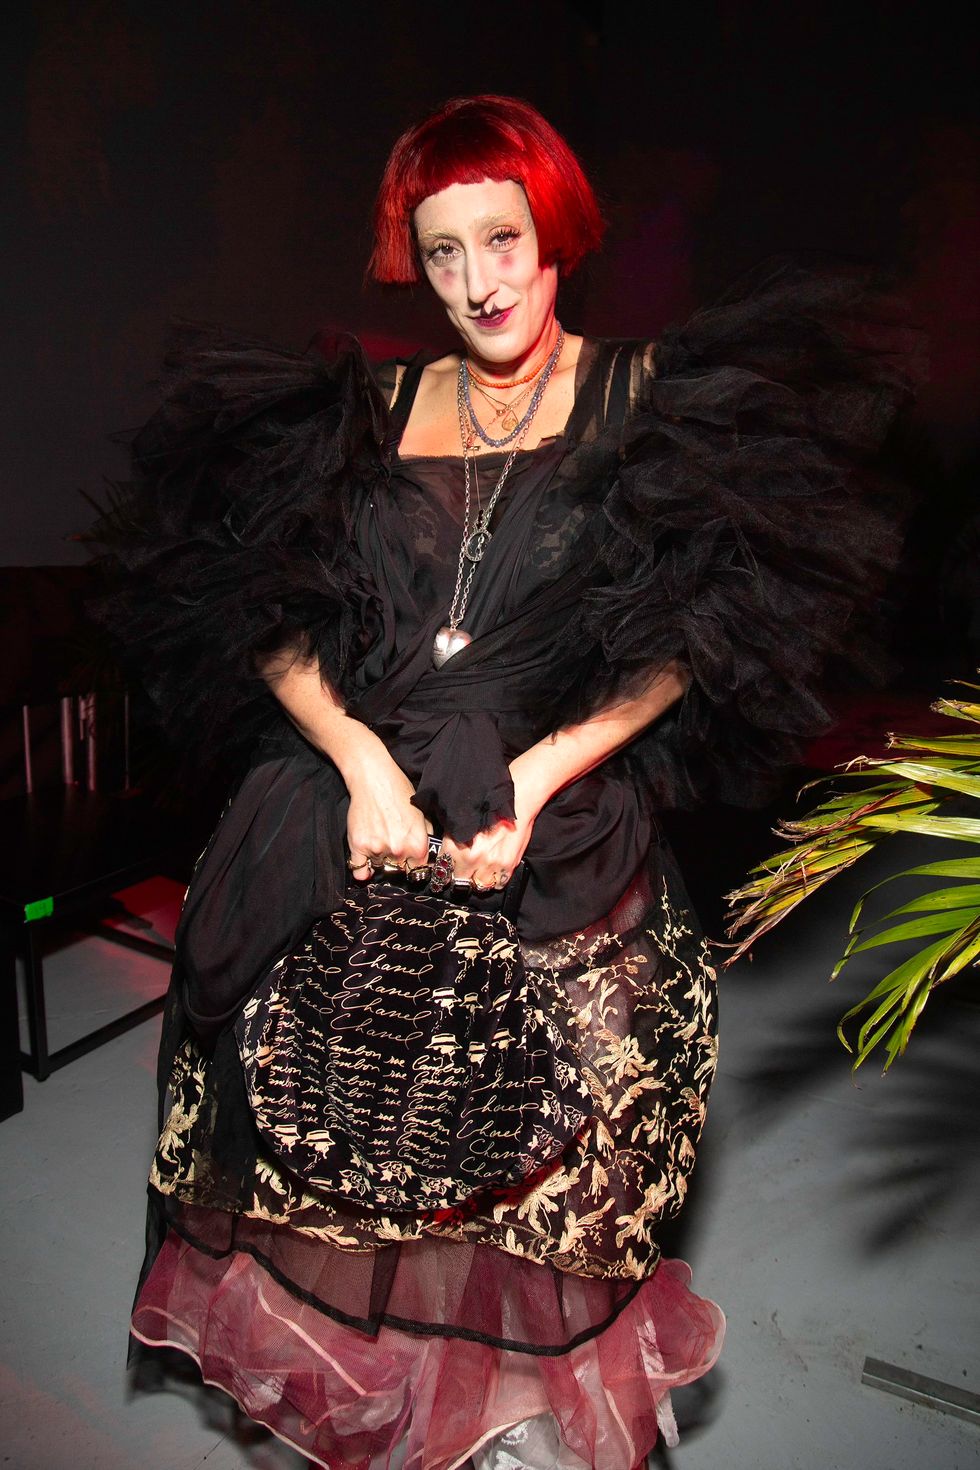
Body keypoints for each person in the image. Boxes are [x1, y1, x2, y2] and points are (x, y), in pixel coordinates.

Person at [100, 95, 913, 1470]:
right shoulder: (370, 407)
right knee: (341, 1120)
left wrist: (537, 773)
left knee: (552, 1136)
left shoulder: (645, 398)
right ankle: (407, 1412)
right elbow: (264, 616)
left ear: (558, 235)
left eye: (504, 239)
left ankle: (512, 1420)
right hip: (354, 798)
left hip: (555, 800)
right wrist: (356, 756)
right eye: (443, 251)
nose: (479, 281)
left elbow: (686, 643)